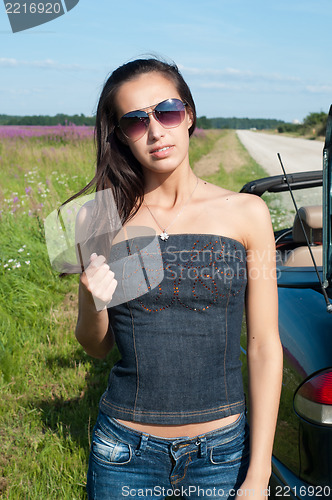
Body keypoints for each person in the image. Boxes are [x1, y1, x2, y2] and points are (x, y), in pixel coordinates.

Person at [73, 58, 283, 499]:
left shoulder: (246, 213)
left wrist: (259, 474)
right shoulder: (97, 217)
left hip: (221, 455)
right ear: (119, 135)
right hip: (123, 453)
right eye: (134, 121)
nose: (155, 131)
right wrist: (90, 297)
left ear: (188, 115)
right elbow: (96, 345)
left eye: (166, 111)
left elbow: (264, 345)